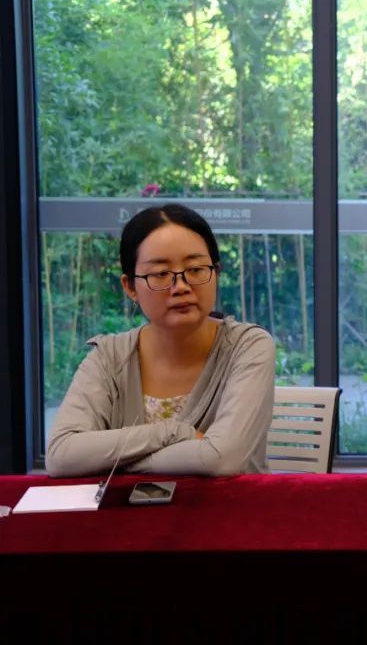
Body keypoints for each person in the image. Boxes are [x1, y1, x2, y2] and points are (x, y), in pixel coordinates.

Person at [46, 204, 276, 477]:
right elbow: (61, 455)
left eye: (196, 269)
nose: (181, 286)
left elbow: (221, 459)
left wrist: (118, 463)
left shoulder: (248, 347)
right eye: (160, 274)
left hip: (231, 504)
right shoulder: (110, 357)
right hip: (131, 507)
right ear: (130, 286)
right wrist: (174, 433)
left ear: (216, 272)